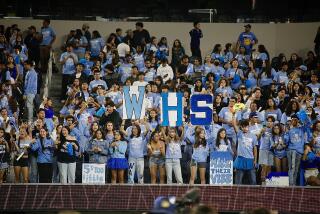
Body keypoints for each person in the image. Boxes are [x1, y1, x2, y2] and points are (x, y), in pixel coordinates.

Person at [233, 119, 258, 185]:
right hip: (240, 159)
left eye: (246, 126)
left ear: (248, 126)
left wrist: (255, 160)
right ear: (241, 127)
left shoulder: (253, 136)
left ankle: (254, 194)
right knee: (238, 182)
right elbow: (234, 125)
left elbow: (255, 149)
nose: (245, 128)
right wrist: (233, 115)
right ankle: (237, 194)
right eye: (243, 127)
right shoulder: (239, 134)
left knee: (253, 181)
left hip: (250, 159)